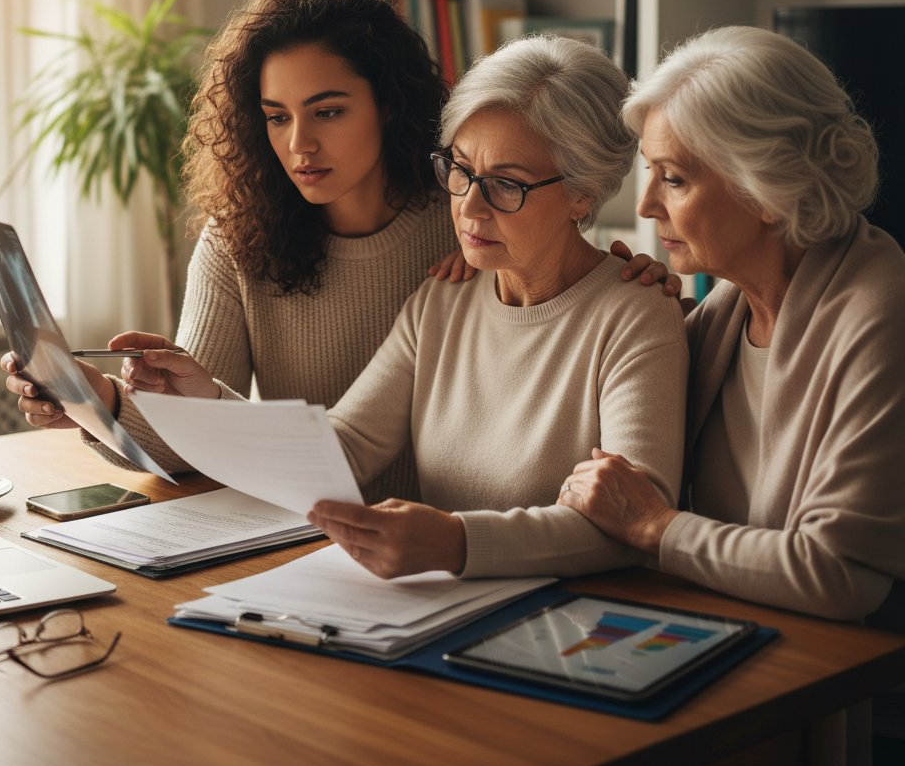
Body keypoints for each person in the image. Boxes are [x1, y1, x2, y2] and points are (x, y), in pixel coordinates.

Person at [118, 35, 689, 580]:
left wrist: (457, 543)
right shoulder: (444, 298)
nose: (469, 209)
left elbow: (633, 520)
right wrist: (205, 399)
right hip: (437, 607)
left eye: (506, 185)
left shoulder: (636, 315)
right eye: (460, 171)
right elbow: (339, 450)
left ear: (584, 193)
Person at [2, 0, 472, 502]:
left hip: (450, 539)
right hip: (304, 531)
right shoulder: (241, 238)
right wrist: (98, 398)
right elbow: (194, 445)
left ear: (388, 104)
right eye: (277, 117)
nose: (299, 144)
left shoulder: (470, 223)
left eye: (328, 111)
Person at [558, 25, 905, 628]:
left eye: (674, 178)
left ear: (769, 189)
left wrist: (654, 527)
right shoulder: (724, 309)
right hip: (722, 629)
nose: (645, 207)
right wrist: (618, 318)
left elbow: (840, 574)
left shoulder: (883, 316)